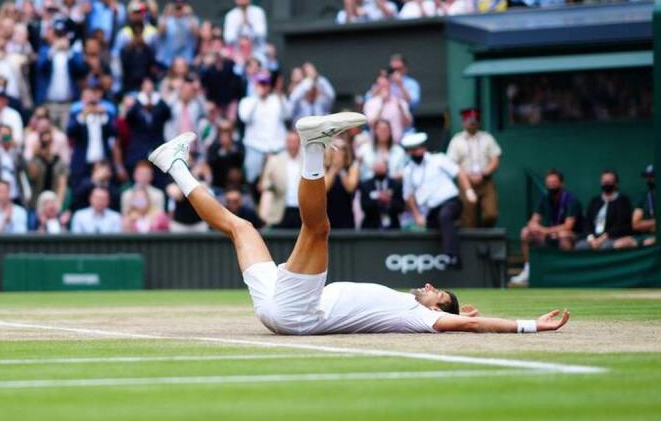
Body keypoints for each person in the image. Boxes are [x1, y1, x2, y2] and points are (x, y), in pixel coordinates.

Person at [147, 116, 570, 335]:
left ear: (438, 309)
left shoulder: (421, 320)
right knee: (242, 228)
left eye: (436, 292)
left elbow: (472, 325)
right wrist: (465, 311)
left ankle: (313, 147)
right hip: (280, 303)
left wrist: (531, 324)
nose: (427, 285)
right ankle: (175, 164)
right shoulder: (422, 310)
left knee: (318, 230)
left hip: (297, 313)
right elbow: (469, 316)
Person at [401, 132, 477, 268]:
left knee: (445, 216)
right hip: (431, 209)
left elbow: (458, 172)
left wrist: (469, 191)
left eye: (419, 148)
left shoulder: (439, 159)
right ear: (408, 152)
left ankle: (451, 256)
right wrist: (417, 216)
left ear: (424, 148)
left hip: (451, 201)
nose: (417, 152)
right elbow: (408, 195)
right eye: (412, 150)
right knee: (433, 224)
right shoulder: (408, 171)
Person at [510, 169, 582, 286]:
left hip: (572, 236)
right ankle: (528, 270)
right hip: (550, 235)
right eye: (549, 183)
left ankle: (566, 273)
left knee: (563, 234)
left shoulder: (571, 200)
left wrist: (545, 230)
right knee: (525, 232)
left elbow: (568, 226)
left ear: (561, 184)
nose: (551, 186)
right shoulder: (545, 198)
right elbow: (534, 219)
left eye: (554, 183)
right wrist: (534, 226)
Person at [446, 108, 502, 228]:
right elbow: (452, 164)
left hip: (485, 180)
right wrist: (468, 177)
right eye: (469, 120)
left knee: (491, 214)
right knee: (468, 218)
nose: (472, 123)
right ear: (463, 122)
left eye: (475, 120)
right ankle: (470, 243)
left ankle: (485, 236)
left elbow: (495, 159)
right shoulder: (456, 140)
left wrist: (483, 173)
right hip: (466, 182)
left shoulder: (487, 138)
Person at [576, 170, 637, 250]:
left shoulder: (623, 201)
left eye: (609, 182)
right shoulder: (595, 201)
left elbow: (621, 225)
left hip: (613, 237)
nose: (606, 184)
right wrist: (591, 239)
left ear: (616, 183)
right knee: (581, 246)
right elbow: (587, 222)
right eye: (604, 181)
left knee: (605, 247)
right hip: (593, 238)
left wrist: (602, 239)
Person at [258, 131, 304, 229]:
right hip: (280, 210)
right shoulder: (274, 160)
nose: (292, 145)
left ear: (300, 143)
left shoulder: (306, 161)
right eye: (290, 142)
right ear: (286, 143)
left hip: (302, 210)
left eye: (295, 142)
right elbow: (263, 184)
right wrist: (272, 183)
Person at [360, 160, 405, 230]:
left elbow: (401, 206)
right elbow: (364, 206)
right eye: (377, 167)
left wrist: (389, 201)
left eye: (381, 167)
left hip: (392, 226)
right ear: (373, 169)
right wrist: (378, 200)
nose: (379, 170)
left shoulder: (396, 184)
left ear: (387, 168)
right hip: (371, 226)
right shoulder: (366, 185)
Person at [632, 165, 656, 246]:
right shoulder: (644, 197)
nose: (649, 179)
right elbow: (636, 224)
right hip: (648, 236)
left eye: (652, 176)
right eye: (647, 176)